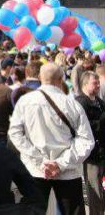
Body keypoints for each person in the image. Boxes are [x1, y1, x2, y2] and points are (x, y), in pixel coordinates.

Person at [8, 62, 94, 215]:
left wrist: (42, 161)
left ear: (40, 77)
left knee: (33, 211)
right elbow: (86, 140)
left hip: (37, 169)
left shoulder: (25, 102)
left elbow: (15, 134)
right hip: (66, 170)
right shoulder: (72, 104)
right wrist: (59, 164)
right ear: (61, 79)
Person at [74, 70, 105, 214]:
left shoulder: (99, 101)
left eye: (99, 82)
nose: (98, 85)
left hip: (102, 152)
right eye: (95, 82)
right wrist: (101, 122)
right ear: (85, 84)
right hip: (92, 156)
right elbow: (82, 128)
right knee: (95, 193)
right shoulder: (81, 102)